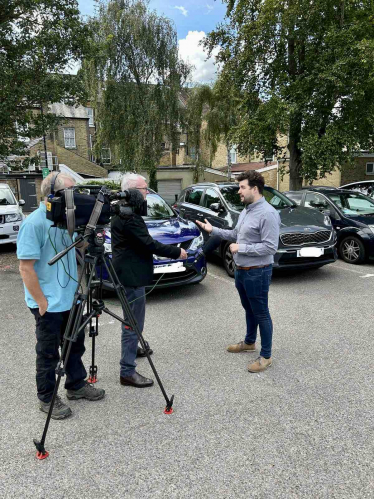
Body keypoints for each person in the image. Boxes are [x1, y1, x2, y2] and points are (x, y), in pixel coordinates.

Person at [17, 172, 105, 420]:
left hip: (71, 297)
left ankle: (76, 385)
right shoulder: (34, 224)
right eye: (71, 191)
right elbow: (25, 267)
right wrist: (41, 302)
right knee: (48, 353)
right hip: (48, 302)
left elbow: (80, 246)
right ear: (54, 195)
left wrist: (91, 232)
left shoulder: (69, 220)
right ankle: (47, 397)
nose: (76, 196)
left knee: (75, 345)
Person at [196, 170, 280, 373]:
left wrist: (241, 248)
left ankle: (266, 356)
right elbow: (235, 234)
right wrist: (212, 230)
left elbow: (271, 247)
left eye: (242, 187)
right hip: (241, 271)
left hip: (258, 272)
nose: (239, 192)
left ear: (255, 189)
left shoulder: (268, 214)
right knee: (249, 309)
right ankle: (250, 342)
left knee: (261, 312)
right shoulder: (246, 210)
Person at [111, 173, 187, 387]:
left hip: (130, 272)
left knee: (132, 318)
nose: (147, 193)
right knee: (133, 322)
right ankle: (127, 371)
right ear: (133, 192)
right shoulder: (129, 217)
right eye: (144, 190)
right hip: (131, 276)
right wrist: (177, 252)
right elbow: (149, 244)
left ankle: (134, 347)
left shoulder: (124, 211)